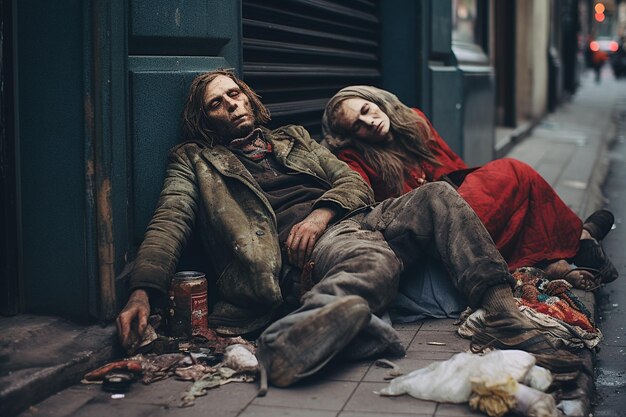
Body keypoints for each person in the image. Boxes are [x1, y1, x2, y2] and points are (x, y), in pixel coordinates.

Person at [117, 70, 580, 388]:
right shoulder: (193, 160)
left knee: (439, 196)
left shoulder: (294, 139)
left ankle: (502, 316)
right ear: (205, 120)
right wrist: (144, 290)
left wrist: (322, 213)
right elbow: (170, 218)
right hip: (289, 252)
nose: (231, 106)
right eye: (217, 104)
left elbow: (351, 180)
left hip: (344, 219)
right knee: (371, 258)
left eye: (234, 94)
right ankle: (291, 343)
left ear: (249, 97)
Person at [321, 85, 618, 290]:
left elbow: (453, 166)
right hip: (433, 228)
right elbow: (356, 193)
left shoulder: (414, 121)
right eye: (356, 125)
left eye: (366, 109)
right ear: (351, 137)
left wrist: (480, 187)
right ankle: (581, 238)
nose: (368, 121)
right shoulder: (354, 157)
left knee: (511, 175)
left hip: (460, 198)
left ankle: (557, 262)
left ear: (376, 100)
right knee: (510, 171)